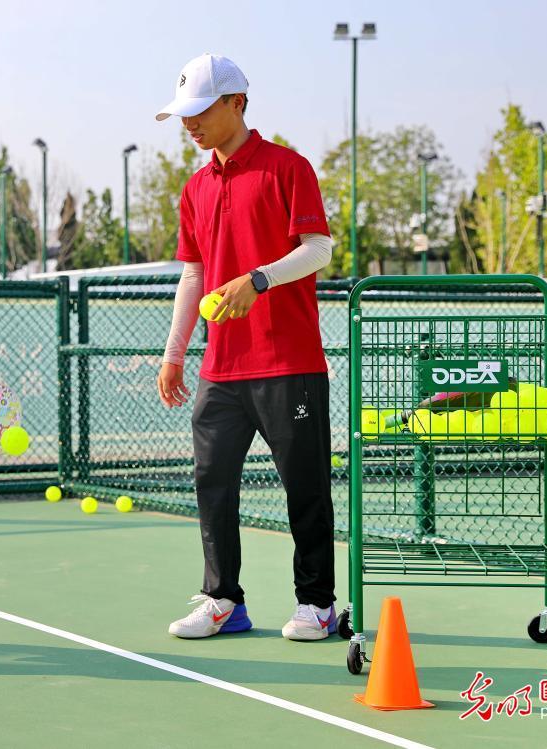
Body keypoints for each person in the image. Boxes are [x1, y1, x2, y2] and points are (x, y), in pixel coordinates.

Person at [154, 54, 337, 641]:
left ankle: (318, 603)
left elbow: (318, 250)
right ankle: (222, 599)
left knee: (304, 487)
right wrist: (174, 352)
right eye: (183, 114)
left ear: (236, 103)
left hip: (290, 365)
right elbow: (193, 276)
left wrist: (257, 279)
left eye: (200, 111)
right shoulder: (195, 188)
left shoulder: (289, 168)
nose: (190, 124)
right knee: (212, 484)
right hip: (221, 369)